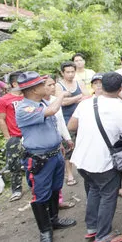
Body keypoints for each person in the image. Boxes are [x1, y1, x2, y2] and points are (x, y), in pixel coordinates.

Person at [68, 72, 122, 242]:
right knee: (108, 195)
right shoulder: (121, 108)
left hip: (81, 160)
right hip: (103, 162)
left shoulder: (85, 103)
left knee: (94, 191)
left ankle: (92, 228)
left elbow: (71, 126)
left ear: (101, 86)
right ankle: (103, 235)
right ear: (120, 89)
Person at [15, 72, 77, 242]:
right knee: (40, 195)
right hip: (39, 160)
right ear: (34, 89)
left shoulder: (42, 102)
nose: (47, 86)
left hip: (55, 155)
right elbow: (51, 111)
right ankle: (45, 231)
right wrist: (61, 96)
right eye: (43, 84)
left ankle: (54, 220)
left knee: (55, 188)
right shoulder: (25, 108)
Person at [91, 73, 122, 199]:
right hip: (94, 144)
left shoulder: (117, 103)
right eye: (95, 83)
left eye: (100, 83)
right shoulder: (86, 102)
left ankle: (118, 189)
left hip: (113, 143)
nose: (98, 86)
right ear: (91, 86)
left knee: (117, 166)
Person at [44, 76, 76, 209]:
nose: (53, 87)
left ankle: (57, 203)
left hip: (56, 143)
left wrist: (67, 138)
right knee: (44, 179)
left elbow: (61, 122)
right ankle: (47, 209)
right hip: (42, 148)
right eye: (49, 85)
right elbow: (51, 111)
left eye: (53, 84)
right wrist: (62, 95)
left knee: (57, 177)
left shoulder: (53, 100)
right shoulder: (31, 105)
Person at [57, 61, 88, 187]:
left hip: (82, 119)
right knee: (68, 147)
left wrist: (71, 99)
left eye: (72, 72)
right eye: (68, 72)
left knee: (85, 144)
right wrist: (77, 98)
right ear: (62, 73)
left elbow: (87, 96)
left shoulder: (79, 83)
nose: (70, 74)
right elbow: (61, 102)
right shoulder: (59, 86)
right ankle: (69, 173)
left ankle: (86, 168)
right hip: (65, 120)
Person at [0, 72, 24, 201]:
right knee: (14, 164)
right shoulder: (3, 100)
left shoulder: (28, 96)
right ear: (14, 83)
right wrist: (7, 137)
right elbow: (1, 119)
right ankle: (16, 189)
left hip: (30, 133)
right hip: (14, 135)